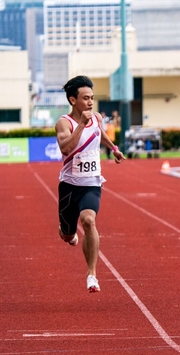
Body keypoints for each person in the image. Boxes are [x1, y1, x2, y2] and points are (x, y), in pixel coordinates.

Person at [55, 75, 126, 293]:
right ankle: (69, 234)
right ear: (73, 100)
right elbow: (66, 148)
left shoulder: (96, 118)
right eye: (85, 98)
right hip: (69, 185)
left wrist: (113, 148)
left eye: (92, 98)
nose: (90, 102)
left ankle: (92, 275)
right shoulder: (64, 122)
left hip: (92, 183)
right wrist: (81, 126)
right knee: (67, 235)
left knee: (88, 220)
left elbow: (99, 133)